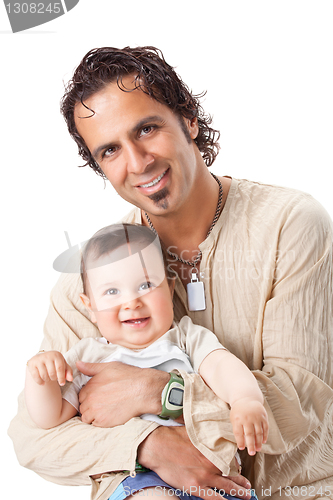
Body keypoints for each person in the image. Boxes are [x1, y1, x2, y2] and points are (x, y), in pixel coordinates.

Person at [9, 46, 333, 500]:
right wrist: (149, 443)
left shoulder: (290, 225)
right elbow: (34, 438)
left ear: (188, 120)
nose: (138, 162)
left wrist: (159, 392)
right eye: (110, 150)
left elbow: (299, 403)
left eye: (146, 128)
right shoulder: (92, 281)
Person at [25, 223, 267, 500]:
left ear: (169, 287)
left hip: (215, 472)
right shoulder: (87, 357)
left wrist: (246, 399)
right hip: (138, 479)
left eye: (145, 285)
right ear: (90, 307)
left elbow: (222, 366)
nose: (132, 302)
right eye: (112, 292)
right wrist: (40, 375)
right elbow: (49, 417)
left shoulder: (186, 337)